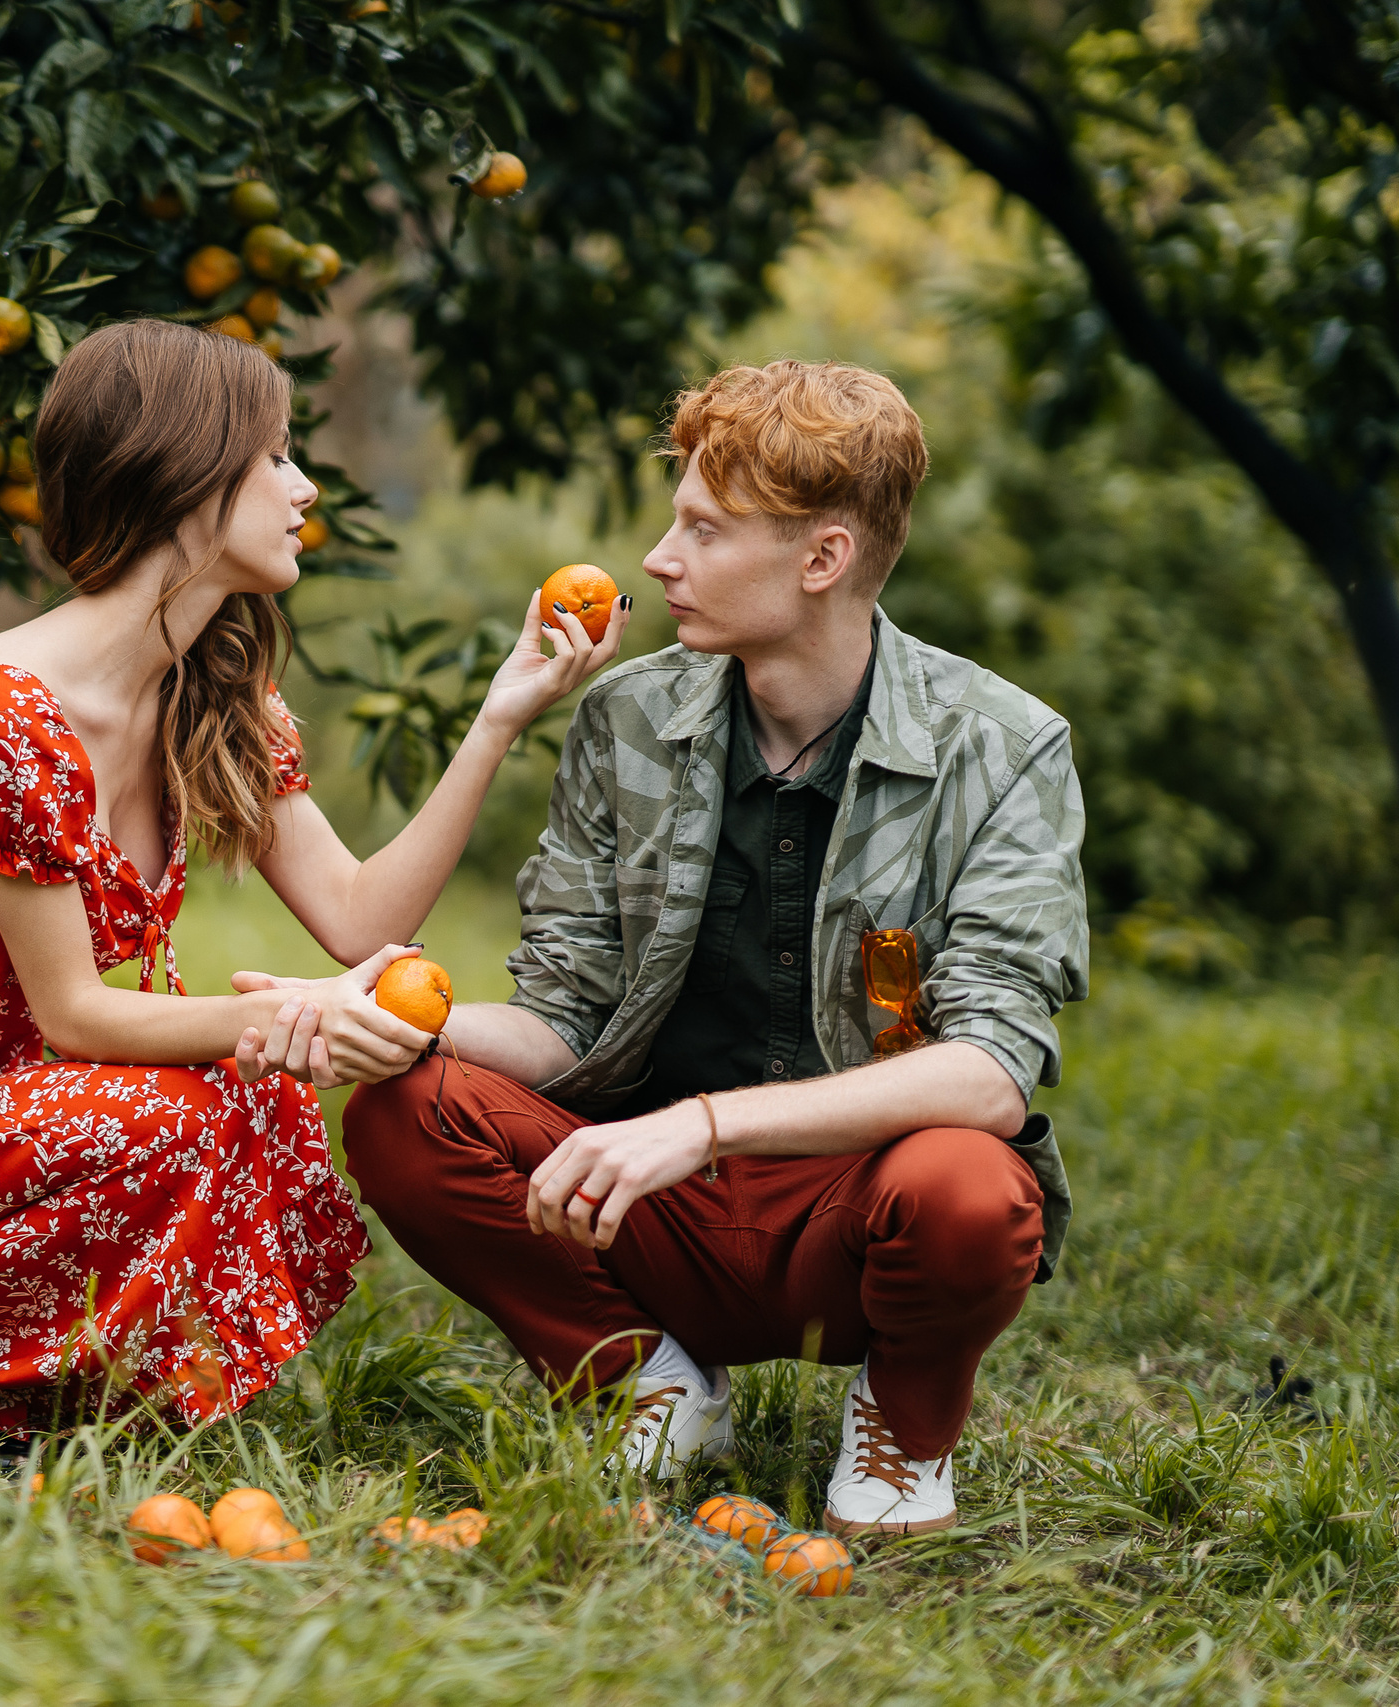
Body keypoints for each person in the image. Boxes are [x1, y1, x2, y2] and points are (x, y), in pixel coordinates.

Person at [0, 319, 630, 1449]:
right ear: (184, 476)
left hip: (13, 1107)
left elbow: (361, 917)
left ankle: (47, 1399)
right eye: (275, 458)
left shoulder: (210, 689)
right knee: (203, 1097)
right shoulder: (2, 713)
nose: (304, 489)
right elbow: (75, 1015)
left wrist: (500, 718)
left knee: (242, 1092)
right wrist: (291, 1016)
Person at [329, 360, 1087, 1536]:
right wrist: (391, 1016)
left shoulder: (1002, 749)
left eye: (703, 529)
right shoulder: (625, 718)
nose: (657, 559)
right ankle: (648, 1381)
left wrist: (703, 1126)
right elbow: (565, 1015)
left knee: (970, 1190)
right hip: (641, 1205)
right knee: (406, 1107)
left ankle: (904, 1421)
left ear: (821, 558)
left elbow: (991, 1073)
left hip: (853, 1214)